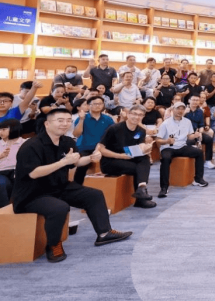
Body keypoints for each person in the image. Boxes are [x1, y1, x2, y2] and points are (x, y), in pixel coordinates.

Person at [12, 108, 132, 262]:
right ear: (47, 124)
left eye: (68, 120)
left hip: (59, 186)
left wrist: (91, 158)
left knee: (94, 195)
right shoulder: (31, 145)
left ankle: (104, 233)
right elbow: (33, 173)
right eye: (60, 120)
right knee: (59, 208)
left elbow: (75, 162)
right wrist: (63, 162)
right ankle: (53, 245)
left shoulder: (67, 142)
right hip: (32, 194)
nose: (65, 124)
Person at [98, 104, 156, 209]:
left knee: (145, 158)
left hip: (129, 158)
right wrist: (120, 156)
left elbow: (139, 146)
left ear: (143, 117)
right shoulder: (114, 128)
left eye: (140, 115)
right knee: (139, 168)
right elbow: (101, 149)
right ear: (128, 114)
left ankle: (141, 188)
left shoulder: (141, 131)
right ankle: (141, 198)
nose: (137, 117)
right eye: (134, 114)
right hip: (111, 161)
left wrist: (145, 148)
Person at [156, 102, 208, 198]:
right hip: (168, 147)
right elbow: (158, 139)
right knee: (165, 158)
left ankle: (198, 179)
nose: (180, 111)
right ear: (173, 110)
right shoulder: (165, 123)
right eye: (178, 108)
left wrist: (195, 135)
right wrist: (167, 141)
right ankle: (164, 187)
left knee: (199, 152)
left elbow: (189, 136)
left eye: (182, 109)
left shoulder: (187, 122)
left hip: (182, 146)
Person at [71, 95, 115, 184]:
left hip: (102, 148)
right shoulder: (81, 118)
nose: (98, 106)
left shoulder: (108, 119)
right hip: (85, 147)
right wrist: (81, 120)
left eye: (100, 104)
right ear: (88, 106)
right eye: (95, 104)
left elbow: (113, 135)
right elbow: (76, 134)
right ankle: (76, 185)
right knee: (82, 166)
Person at [183, 95, 215, 169]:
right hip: (186, 134)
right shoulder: (183, 110)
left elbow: (201, 125)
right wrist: (184, 113)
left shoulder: (200, 111)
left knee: (209, 139)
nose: (195, 102)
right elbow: (177, 121)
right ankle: (191, 162)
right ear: (189, 101)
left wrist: (200, 133)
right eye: (193, 100)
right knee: (190, 141)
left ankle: (208, 161)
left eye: (197, 100)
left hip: (196, 132)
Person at [0, 119, 24, 207]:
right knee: (1, 184)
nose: (0, 132)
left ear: (14, 128)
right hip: (1, 172)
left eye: (4, 129)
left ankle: (19, 208)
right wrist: (1, 156)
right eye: (0, 129)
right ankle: (4, 210)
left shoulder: (24, 143)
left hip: (18, 170)